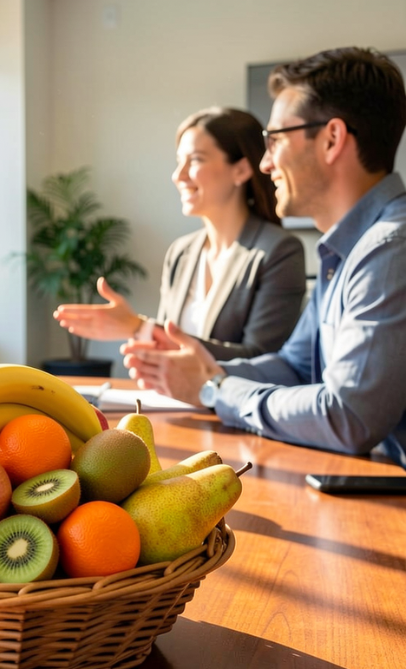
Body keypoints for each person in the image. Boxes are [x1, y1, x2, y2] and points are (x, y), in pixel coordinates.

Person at [122, 47, 406, 469]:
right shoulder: (346, 248)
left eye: (274, 140)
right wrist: (210, 369)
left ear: (332, 139)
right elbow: (296, 365)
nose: (266, 162)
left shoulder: (388, 248)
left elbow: (349, 417)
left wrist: (214, 390)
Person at [53, 107, 306, 360]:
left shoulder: (279, 251)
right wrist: (141, 344)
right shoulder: (181, 252)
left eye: (195, 160)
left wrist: (142, 328)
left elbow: (260, 360)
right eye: (179, 161)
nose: (178, 175)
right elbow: (170, 353)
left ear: (241, 169)